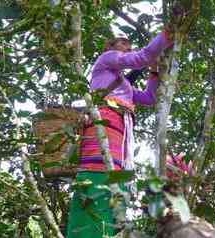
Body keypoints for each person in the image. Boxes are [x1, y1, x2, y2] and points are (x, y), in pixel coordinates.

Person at [66, 30, 173, 238]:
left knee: (113, 192)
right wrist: (168, 34)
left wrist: (153, 73)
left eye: (129, 44)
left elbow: (150, 98)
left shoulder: (124, 85)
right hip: (103, 129)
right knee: (95, 183)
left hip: (119, 142)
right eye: (123, 43)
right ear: (110, 46)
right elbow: (141, 57)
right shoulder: (106, 59)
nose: (128, 47)